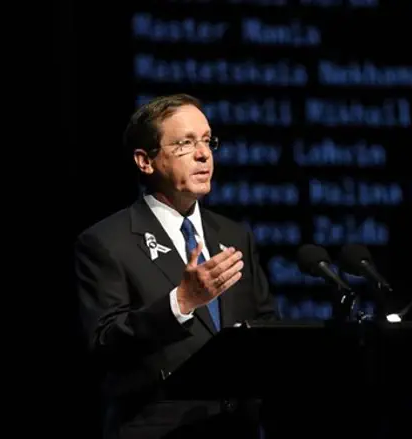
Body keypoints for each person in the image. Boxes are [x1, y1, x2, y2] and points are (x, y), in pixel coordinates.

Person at [74, 93, 278, 439]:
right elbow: (103, 344)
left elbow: (264, 325)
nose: (203, 154)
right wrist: (180, 303)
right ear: (145, 161)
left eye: (207, 140)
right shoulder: (106, 241)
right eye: (184, 143)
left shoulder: (233, 234)